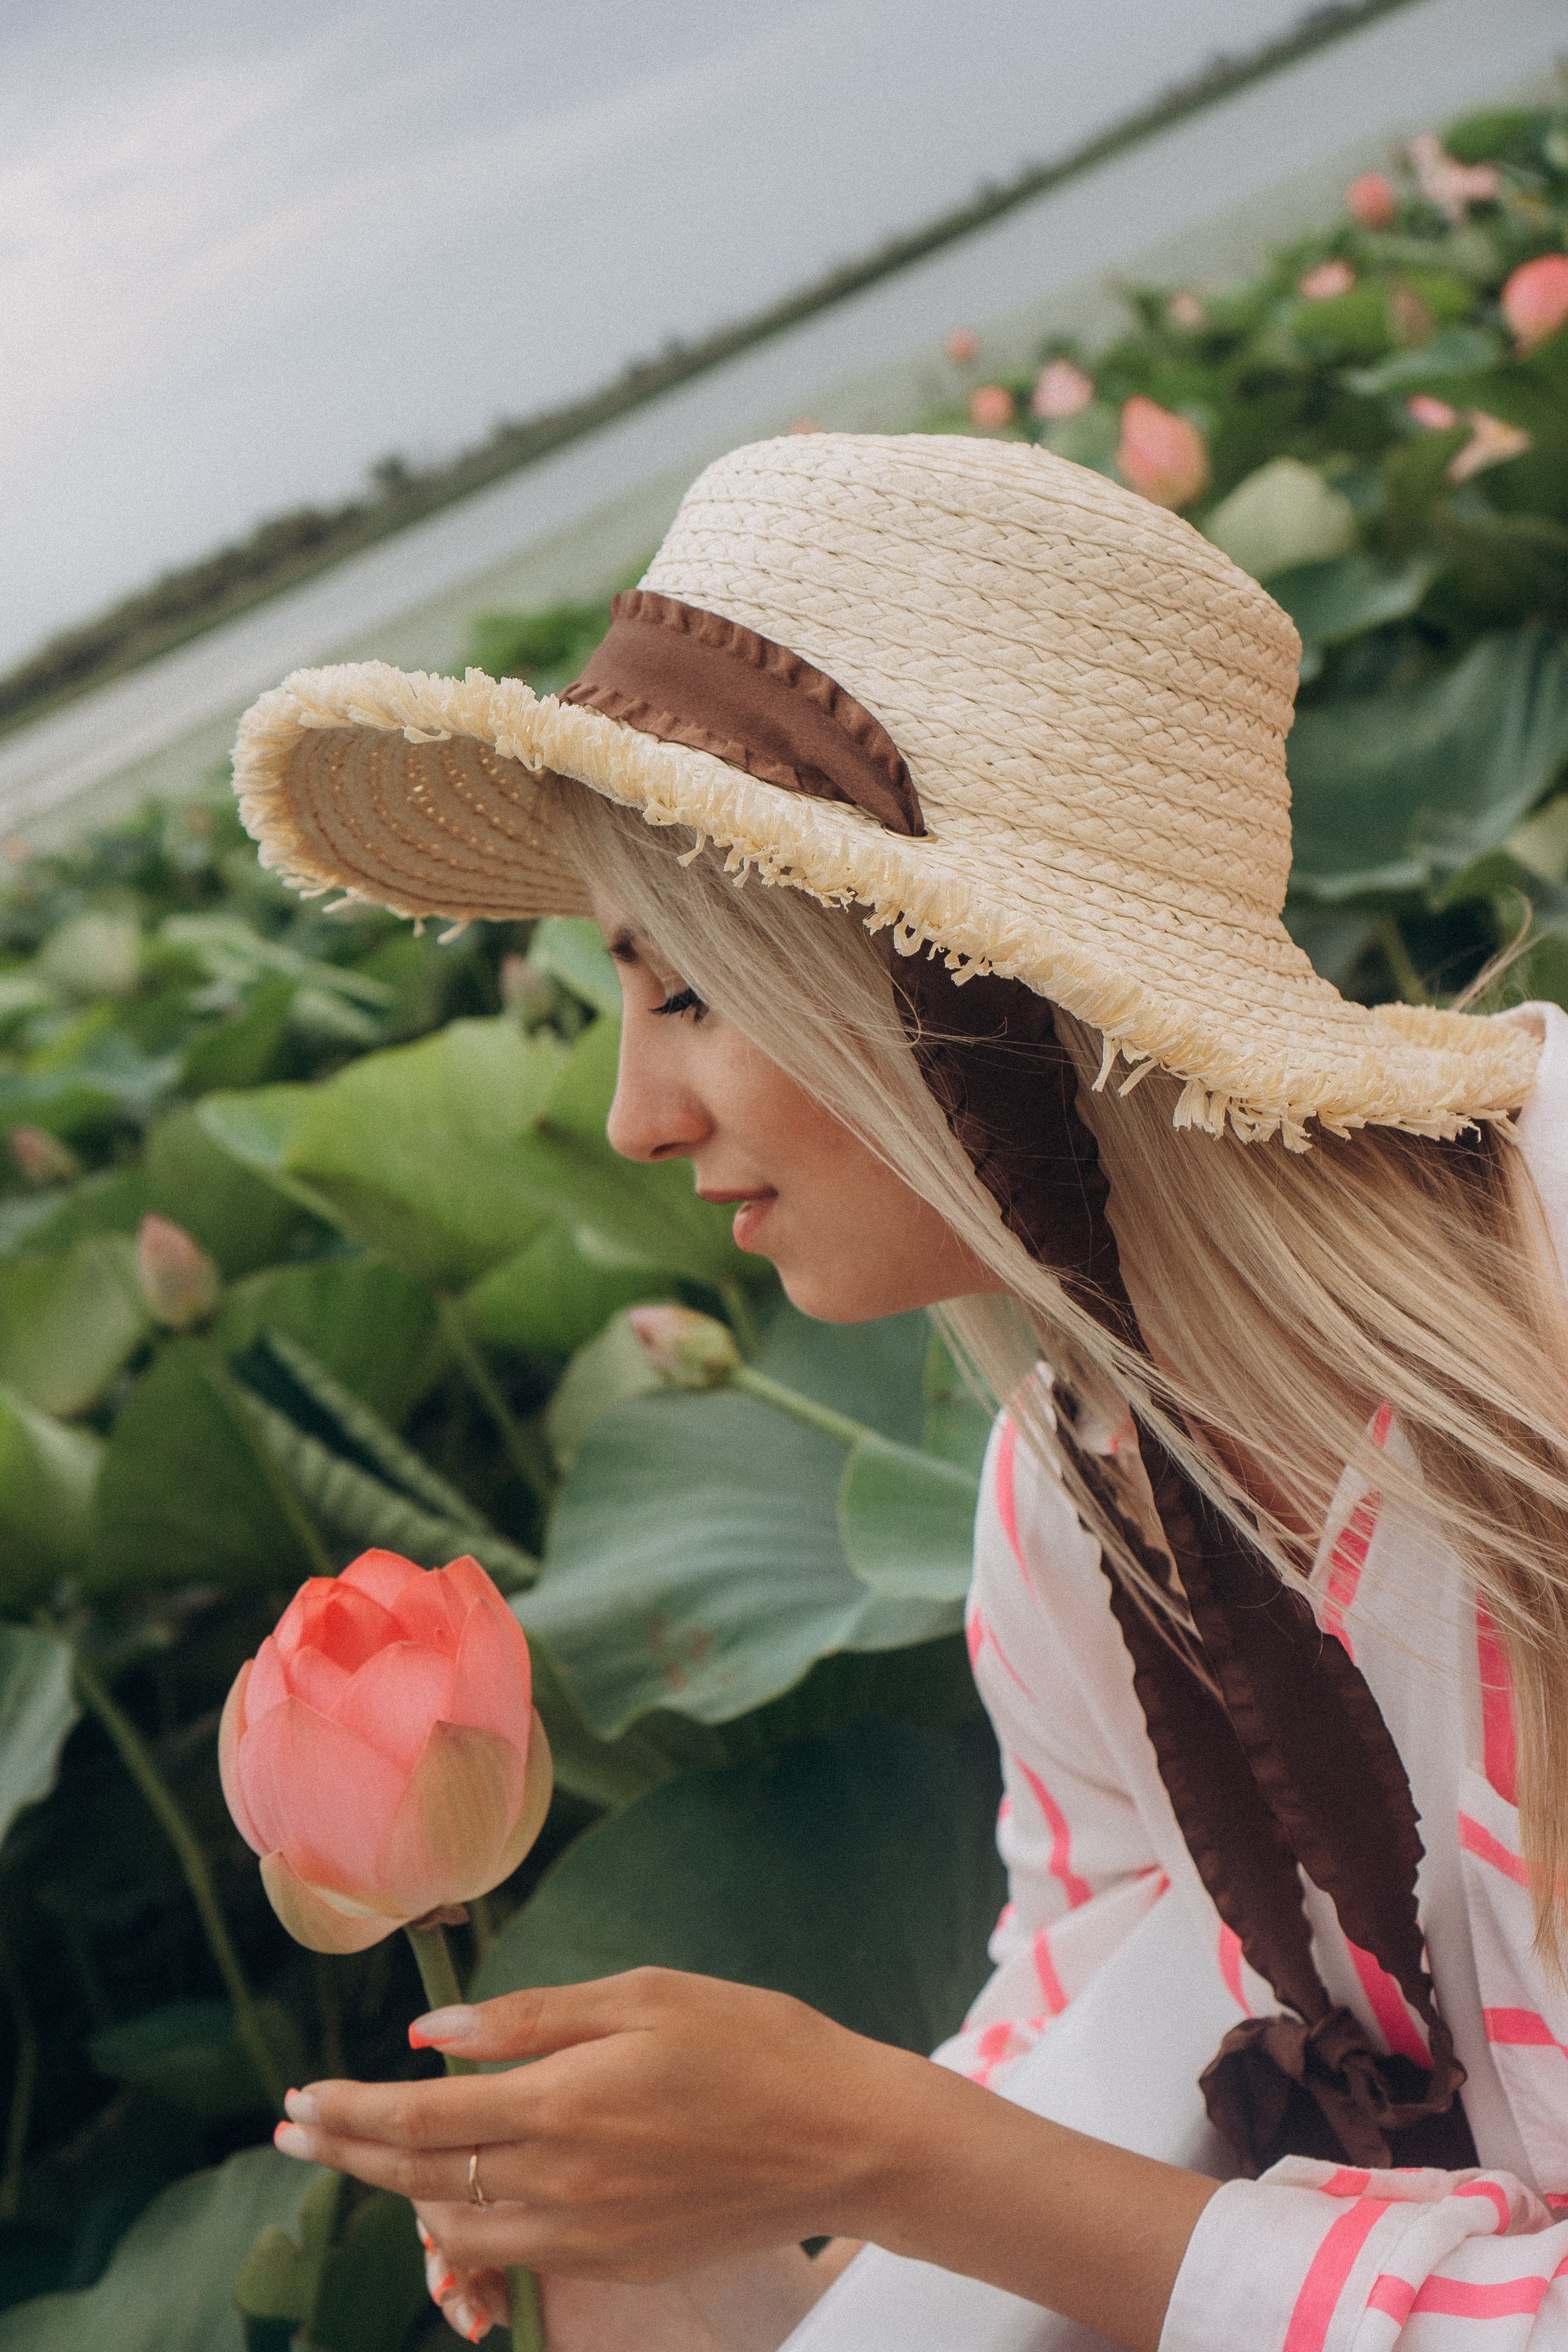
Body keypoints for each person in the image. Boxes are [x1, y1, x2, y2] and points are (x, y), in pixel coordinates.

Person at [238, 432, 1568, 2350]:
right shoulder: (1076, 1507)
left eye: (685, 988)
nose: (628, 1116)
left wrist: (892, 2156)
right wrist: (730, 2260)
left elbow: (994, 2168)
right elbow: (1090, 2039)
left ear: (970, 982)